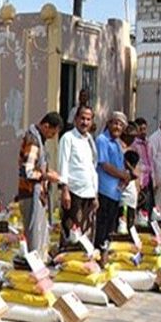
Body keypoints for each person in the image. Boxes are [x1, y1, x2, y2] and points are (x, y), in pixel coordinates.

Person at [17, 112, 63, 258]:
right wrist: (46, 176)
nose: (53, 137)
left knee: (40, 235)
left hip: (38, 194)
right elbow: (27, 171)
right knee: (34, 237)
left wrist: (49, 172)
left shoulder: (40, 140)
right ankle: (33, 269)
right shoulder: (33, 141)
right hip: (30, 193)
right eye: (52, 133)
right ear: (46, 126)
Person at [58, 106, 99, 246]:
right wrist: (64, 190)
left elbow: (92, 168)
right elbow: (63, 164)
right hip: (73, 193)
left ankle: (84, 265)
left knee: (87, 234)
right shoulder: (68, 138)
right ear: (75, 119)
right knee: (72, 233)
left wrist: (95, 194)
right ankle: (66, 262)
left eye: (88, 119)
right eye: (82, 118)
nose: (85, 122)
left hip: (89, 193)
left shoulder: (90, 140)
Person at [94, 112, 130, 249]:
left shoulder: (117, 143)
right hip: (104, 190)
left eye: (121, 125)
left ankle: (105, 252)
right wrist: (122, 175)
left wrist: (125, 177)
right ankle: (99, 253)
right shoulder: (102, 140)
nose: (117, 127)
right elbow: (105, 165)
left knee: (110, 227)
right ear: (109, 124)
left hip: (115, 192)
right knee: (101, 226)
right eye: (115, 123)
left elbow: (119, 165)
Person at [131, 117, 154, 214]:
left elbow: (151, 161)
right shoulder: (133, 144)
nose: (143, 132)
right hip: (140, 179)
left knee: (148, 206)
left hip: (149, 178)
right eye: (141, 129)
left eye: (145, 129)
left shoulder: (148, 143)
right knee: (140, 205)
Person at [120, 123, 140, 229]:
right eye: (131, 137)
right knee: (122, 223)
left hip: (131, 192)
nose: (133, 140)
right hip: (122, 193)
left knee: (130, 222)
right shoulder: (119, 148)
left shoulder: (132, 149)